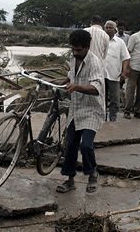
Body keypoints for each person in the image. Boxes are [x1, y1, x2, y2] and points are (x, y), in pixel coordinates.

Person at [56, 30, 105, 193]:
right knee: (70, 145)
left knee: (85, 146)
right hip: (76, 108)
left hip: (92, 109)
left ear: (87, 47)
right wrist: (60, 83)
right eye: (73, 49)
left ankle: (92, 174)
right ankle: (70, 180)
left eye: (79, 50)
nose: (75, 53)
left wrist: (76, 87)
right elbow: (72, 76)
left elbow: (96, 88)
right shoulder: (73, 58)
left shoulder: (95, 62)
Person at [104, 21, 130, 122]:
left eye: (110, 28)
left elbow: (126, 58)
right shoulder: (102, 40)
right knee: (102, 97)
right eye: (106, 27)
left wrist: (124, 72)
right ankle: (103, 116)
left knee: (114, 97)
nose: (108, 29)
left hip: (114, 74)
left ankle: (113, 116)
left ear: (115, 30)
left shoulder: (120, 42)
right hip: (101, 74)